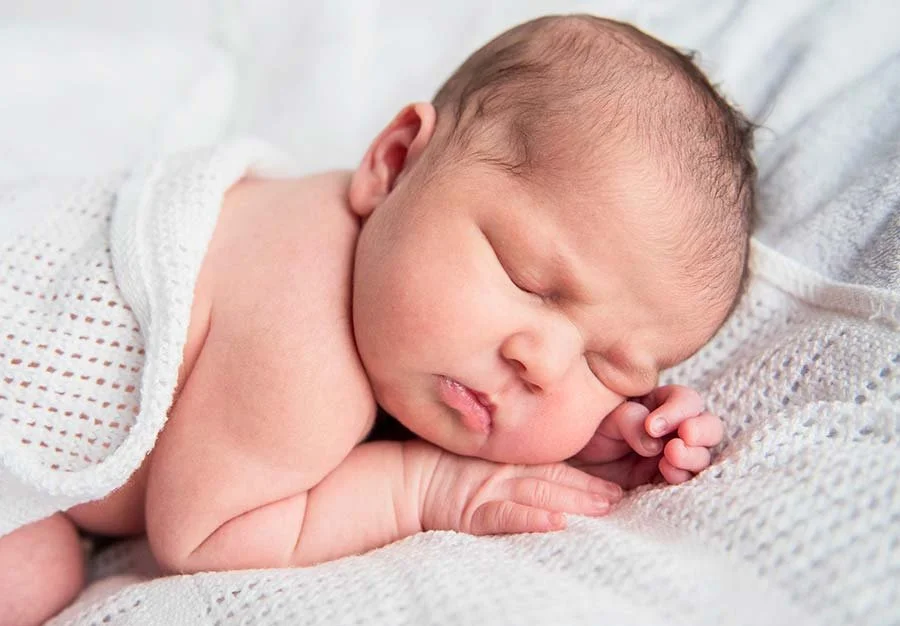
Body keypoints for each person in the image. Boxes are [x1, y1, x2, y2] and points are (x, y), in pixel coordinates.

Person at [0, 14, 755, 626]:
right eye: (528, 278)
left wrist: (591, 437)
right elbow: (204, 535)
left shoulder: (395, 296)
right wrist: (427, 487)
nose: (545, 365)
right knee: (34, 574)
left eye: (609, 366)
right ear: (393, 163)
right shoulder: (304, 335)